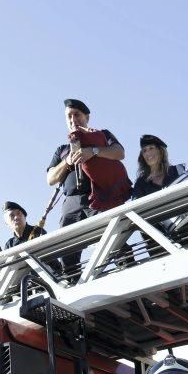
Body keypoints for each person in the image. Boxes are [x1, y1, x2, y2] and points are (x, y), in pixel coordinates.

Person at [46, 99, 129, 280]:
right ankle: (72, 282)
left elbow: (119, 152)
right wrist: (67, 162)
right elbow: (50, 178)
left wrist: (93, 151)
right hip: (71, 202)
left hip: (99, 195)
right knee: (68, 249)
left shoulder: (102, 135)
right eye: (69, 116)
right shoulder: (62, 149)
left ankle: (128, 269)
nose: (73, 119)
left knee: (113, 237)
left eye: (77, 114)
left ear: (87, 117)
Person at [131, 135, 185, 199]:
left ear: (160, 151)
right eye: (144, 151)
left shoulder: (178, 170)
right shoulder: (141, 183)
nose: (148, 153)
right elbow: (137, 207)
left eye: (151, 148)